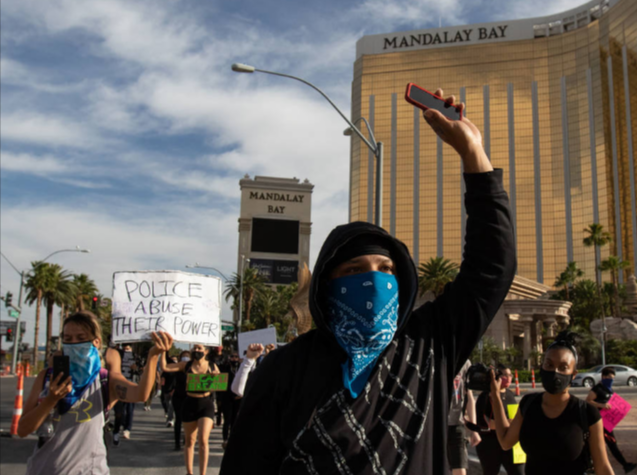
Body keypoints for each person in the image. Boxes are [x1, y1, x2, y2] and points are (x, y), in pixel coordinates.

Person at [221, 88, 516, 475]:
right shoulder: (285, 368)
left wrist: (473, 153)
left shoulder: (429, 346)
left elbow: (491, 268)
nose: (374, 280)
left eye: (386, 269)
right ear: (328, 285)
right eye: (355, 270)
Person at [17, 311, 172, 475]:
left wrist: (153, 356)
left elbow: (140, 394)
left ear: (96, 342)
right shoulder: (47, 378)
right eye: (68, 339)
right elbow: (22, 430)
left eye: (81, 338)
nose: (73, 344)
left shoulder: (105, 380)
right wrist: (50, 400)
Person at [489, 331, 614, 475]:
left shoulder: (586, 412)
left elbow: (603, 467)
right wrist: (496, 396)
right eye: (549, 364)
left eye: (563, 367)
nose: (554, 372)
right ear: (542, 367)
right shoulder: (528, 404)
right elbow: (505, 442)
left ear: (573, 374)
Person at [162, 344, 220, 475]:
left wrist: (215, 377)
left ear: (206, 351)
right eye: (195, 348)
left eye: (199, 348)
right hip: (189, 403)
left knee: (203, 440)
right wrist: (161, 353)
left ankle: (203, 473)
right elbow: (165, 367)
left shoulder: (212, 366)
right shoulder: (186, 365)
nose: (196, 350)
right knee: (189, 441)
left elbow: (218, 384)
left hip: (206, 404)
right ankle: (189, 472)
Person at [473, 364, 524, 475]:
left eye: (510, 375)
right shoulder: (485, 396)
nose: (509, 378)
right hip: (490, 446)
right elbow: (486, 423)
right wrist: (510, 424)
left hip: (510, 445)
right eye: (504, 375)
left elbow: (514, 417)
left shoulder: (510, 395)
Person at [586, 367, 637, 473]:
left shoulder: (609, 390)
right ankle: (624, 465)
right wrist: (601, 405)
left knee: (608, 444)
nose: (611, 380)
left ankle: (625, 465)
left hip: (607, 423)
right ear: (603, 377)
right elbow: (588, 401)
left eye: (612, 378)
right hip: (599, 422)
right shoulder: (597, 389)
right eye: (609, 377)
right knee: (608, 444)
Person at [447, 359, 481, 475]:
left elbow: (470, 398)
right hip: (435, 423)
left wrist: (474, 430)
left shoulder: (465, 362)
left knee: (460, 466)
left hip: (457, 423)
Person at [112, 342, 139, 442]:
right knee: (119, 411)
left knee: (130, 409)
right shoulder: (117, 356)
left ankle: (127, 429)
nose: (126, 350)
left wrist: (136, 368)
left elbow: (141, 371)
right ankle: (118, 428)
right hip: (119, 387)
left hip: (132, 386)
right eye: (124, 349)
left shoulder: (136, 357)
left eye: (128, 349)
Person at [218, 350, 242, 449]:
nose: (234, 359)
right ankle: (225, 439)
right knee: (227, 420)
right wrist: (219, 399)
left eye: (236, 357)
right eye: (232, 356)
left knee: (235, 420)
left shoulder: (241, 368)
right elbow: (220, 383)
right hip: (227, 398)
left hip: (239, 398)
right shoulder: (224, 368)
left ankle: (232, 439)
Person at [171, 350, 191, 451]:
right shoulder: (177, 369)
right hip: (178, 397)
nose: (185, 358)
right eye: (184, 356)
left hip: (189, 397)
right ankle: (177, 443)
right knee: (178, 419)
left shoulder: (193, 369)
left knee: (187, 420)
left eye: (187, 356)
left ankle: (186, 439)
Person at [159, 354, 178, 427]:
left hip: (174, 390)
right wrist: (161, 389)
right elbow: (162, 380)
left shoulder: (177, 370)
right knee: (167, 405)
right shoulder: (166, 371)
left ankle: (171, 420)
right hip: (166, 390)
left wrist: (174, 390)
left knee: (171, 405)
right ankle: (169, 417)